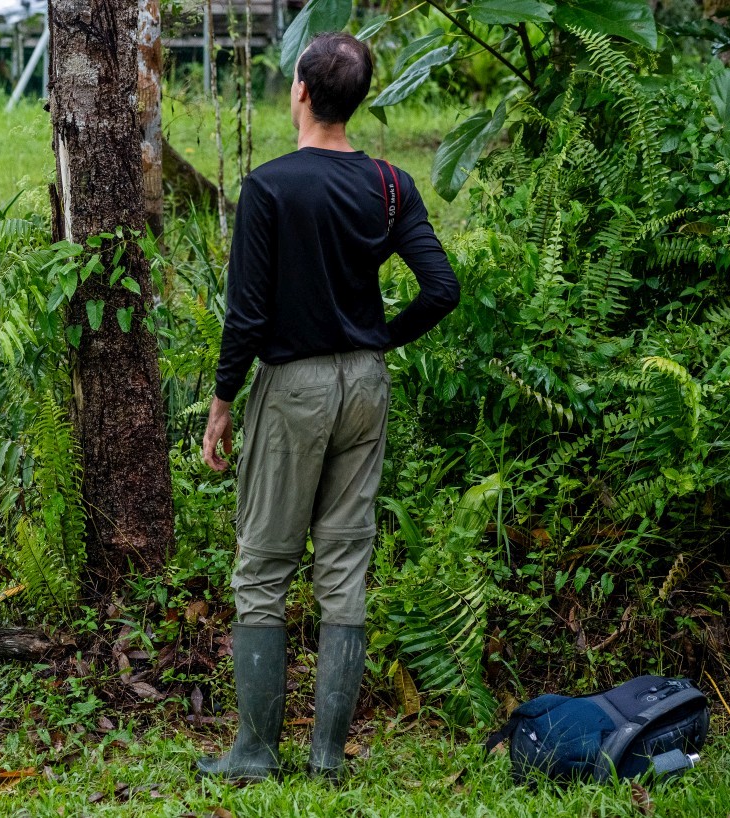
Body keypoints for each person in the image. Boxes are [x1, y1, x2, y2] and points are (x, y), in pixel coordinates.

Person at [199, 33, 460, 782]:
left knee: (263, 568)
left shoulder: (272, 186)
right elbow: (441, 289)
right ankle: (325, 759)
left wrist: (222, 402)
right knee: (344, 564)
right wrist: (379, 337)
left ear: (301, 93)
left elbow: (246, 316)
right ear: (357, 98)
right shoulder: (387, 183)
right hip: (366, 385)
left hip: (294, 390)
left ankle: (254, 751)